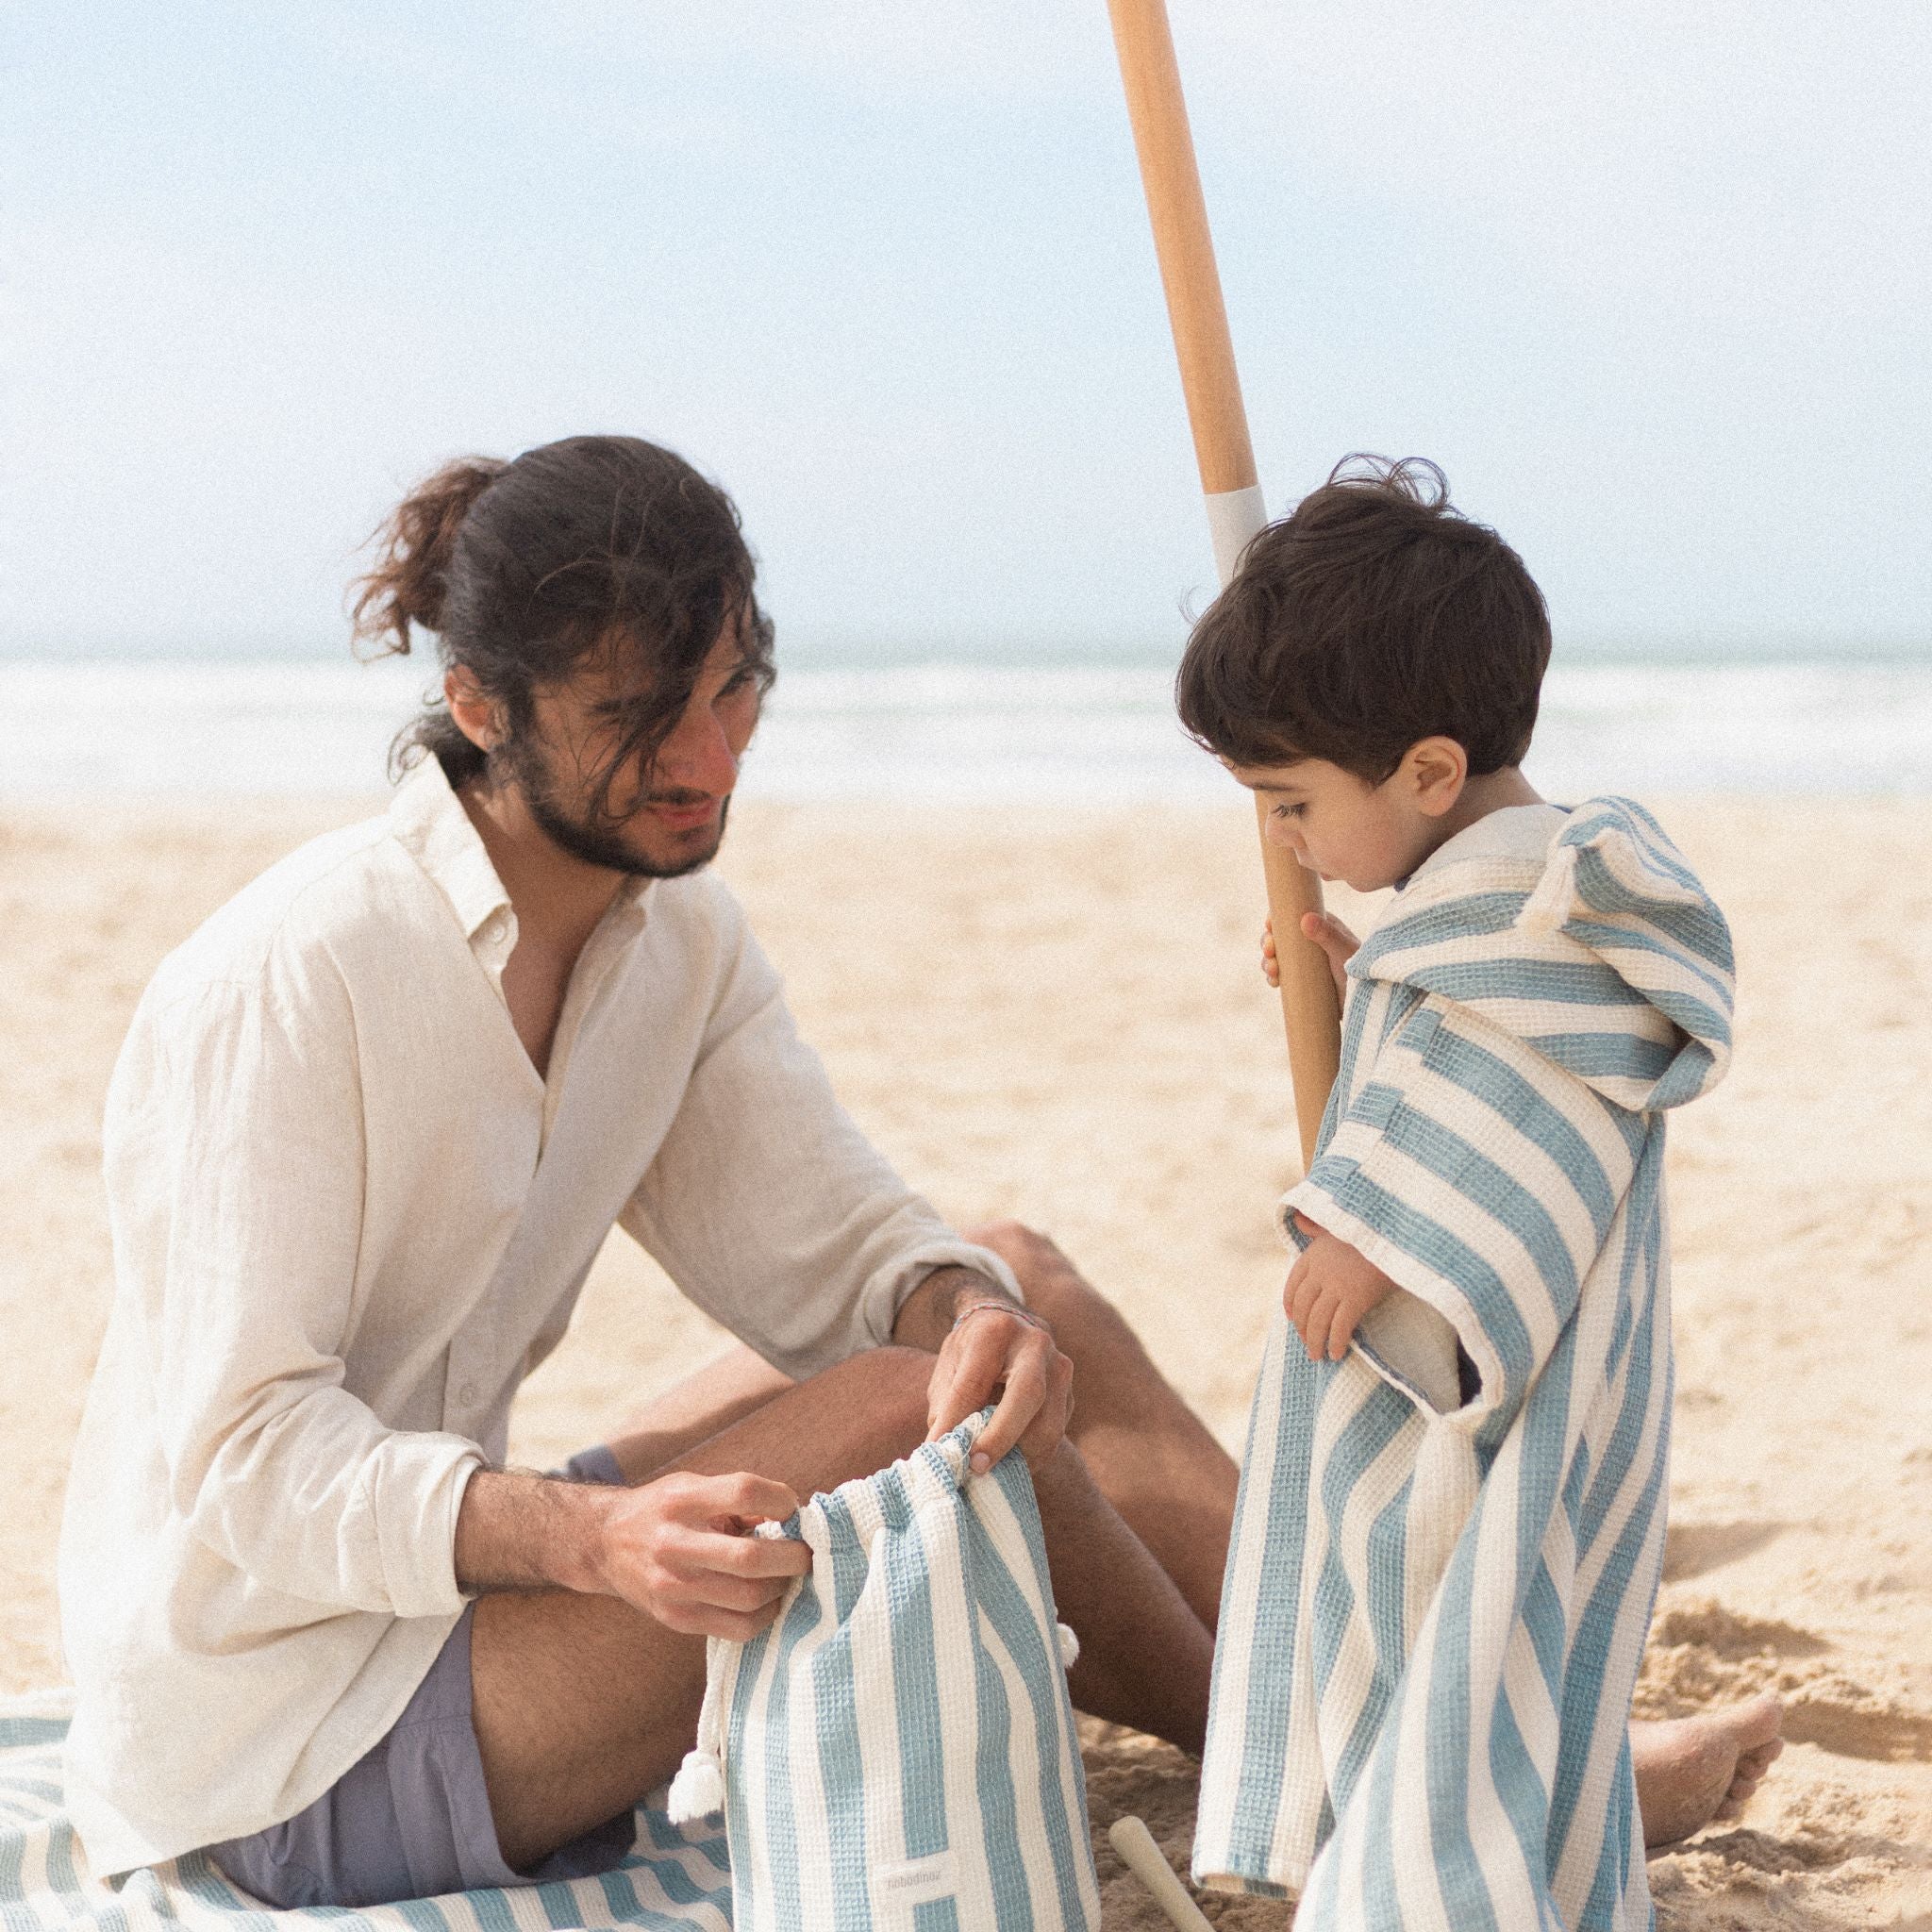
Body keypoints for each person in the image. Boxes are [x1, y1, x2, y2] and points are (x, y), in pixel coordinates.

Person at [57, 434, 1774, 1915]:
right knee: (907, 1413)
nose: (713, 763)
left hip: (468, 1583)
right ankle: (1331, 1788)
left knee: (1010, 1295)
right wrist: (588, 1538)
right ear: (478, 710)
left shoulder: (675, 948)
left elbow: (838, 1253)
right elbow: (244, 1474)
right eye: (638, 718)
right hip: (276, 1729)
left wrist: (964, 1304)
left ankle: (1370, 1745)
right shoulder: (297, 973)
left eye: (736, 692)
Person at [1179, 456, 1780, 1926]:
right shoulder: (1492, 917)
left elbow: (1521, 1124)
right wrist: (1362, 984)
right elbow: (1465, 1046)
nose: (1287, 838)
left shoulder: (1545, 925)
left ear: (1432, 774)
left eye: (1294, 800)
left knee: (1465, 1659)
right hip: (1467, 1379)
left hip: (1495, 1402)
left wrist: (1371, 1232)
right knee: (1422, 1654)